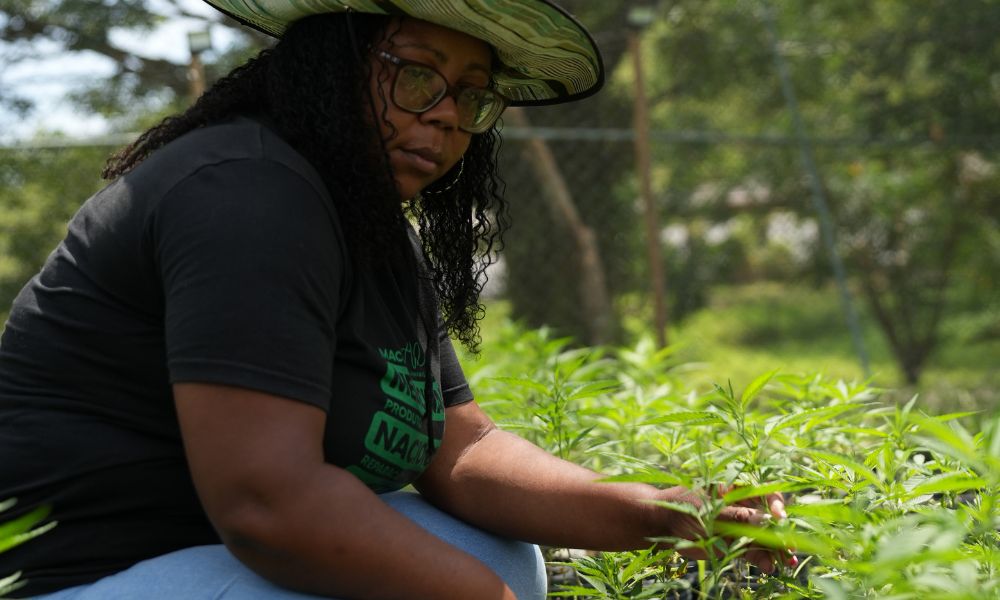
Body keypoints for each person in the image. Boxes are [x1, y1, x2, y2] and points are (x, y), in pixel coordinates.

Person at [0, 1, 786, 598]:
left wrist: (661, 511)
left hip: (206, 557)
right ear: (331, 60)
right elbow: (266, 505)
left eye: (470, 96)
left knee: (497, 551)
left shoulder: (362, 220)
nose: (443, 113)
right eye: (416, 74)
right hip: (93, 575)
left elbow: (464, 452)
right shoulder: (248, 198)